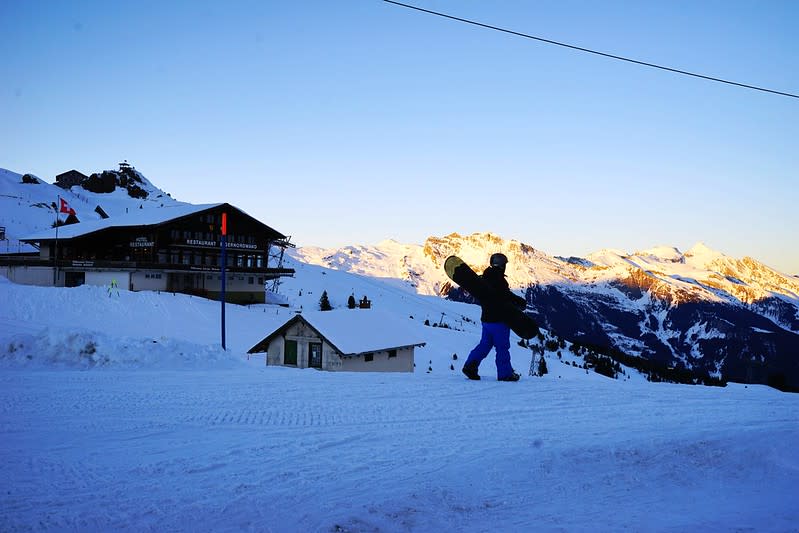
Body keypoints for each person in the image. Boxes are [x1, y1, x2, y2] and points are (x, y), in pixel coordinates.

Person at [462, 253, 527, 382]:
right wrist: (519, 302)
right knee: (502, 347)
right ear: (502, 265)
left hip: (486, 319)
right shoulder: (499, 280)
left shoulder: (484, 278)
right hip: (499, 320)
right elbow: (505, 296)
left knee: (485, 344)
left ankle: (470, 366)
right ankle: (505, 374)